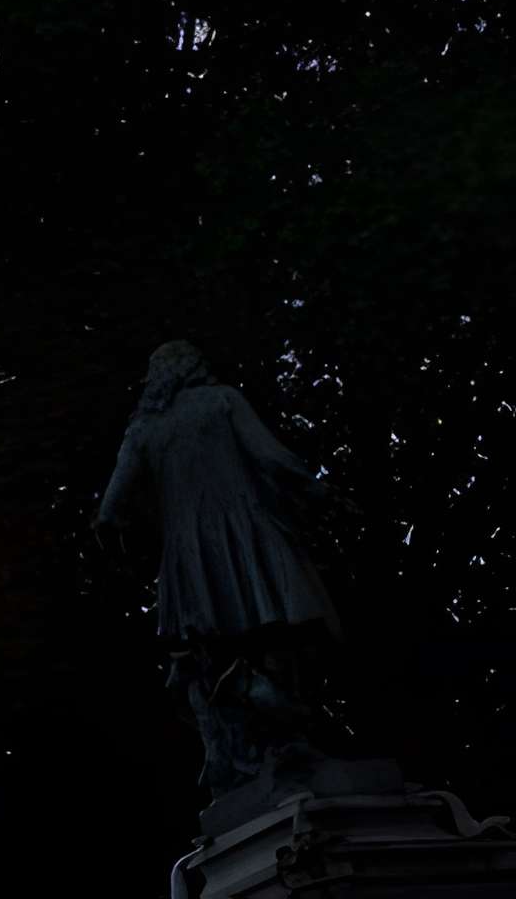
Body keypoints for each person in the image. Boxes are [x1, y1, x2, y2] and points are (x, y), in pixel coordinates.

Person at [95, 340, 341, 797]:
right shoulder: (222, 400)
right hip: (247, 539)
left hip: (189, 565)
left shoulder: (144, 430)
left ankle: (258, 746)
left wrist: (137, 551)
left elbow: (110, 514)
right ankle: (291, 737)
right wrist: (315, 492)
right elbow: (270, 457)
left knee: (215, 660)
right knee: (280, 634)